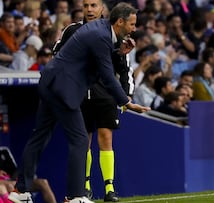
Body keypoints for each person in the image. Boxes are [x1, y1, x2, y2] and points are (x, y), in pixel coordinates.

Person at [14, 3, 150, 203]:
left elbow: (94, 58)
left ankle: (21, 192)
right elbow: (106, 74)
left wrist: (118, 53)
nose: (134, 28)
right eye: (132, 24)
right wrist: (127, 102)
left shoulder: (101, 31)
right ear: (120, 22)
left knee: (39, 137)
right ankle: (75, 196)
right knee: (79, 140)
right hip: (63, 89)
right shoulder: (101, 35)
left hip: (51, 83)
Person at [53, 0, 137, 201]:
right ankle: (86, 186)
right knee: (84, 141)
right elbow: (57, 54)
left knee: (106, 138)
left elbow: (124, 67)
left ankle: (109, 188)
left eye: (94, 5)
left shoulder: (113, 31)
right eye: (86, 5)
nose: (89, 10)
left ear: (102, 9)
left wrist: (125, 94)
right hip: (80, 93)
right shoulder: (71, 30)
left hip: (105, 93)